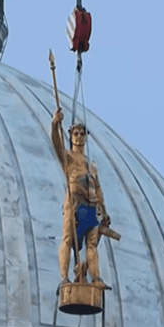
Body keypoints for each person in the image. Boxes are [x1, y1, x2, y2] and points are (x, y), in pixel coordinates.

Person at [51, 108, 109, 286]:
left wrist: (104, 211)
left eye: (82, 134)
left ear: (86, 137)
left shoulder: (92, 166)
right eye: (75, 133)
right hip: (73, 204)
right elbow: (56, 144)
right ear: (70, 136)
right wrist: (55, 124)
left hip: (89, 207)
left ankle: (96, 278)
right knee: (68, 239)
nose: (79, 137)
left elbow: (98, 189)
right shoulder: (68, 158)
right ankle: (64, 278)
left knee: (92, 244)